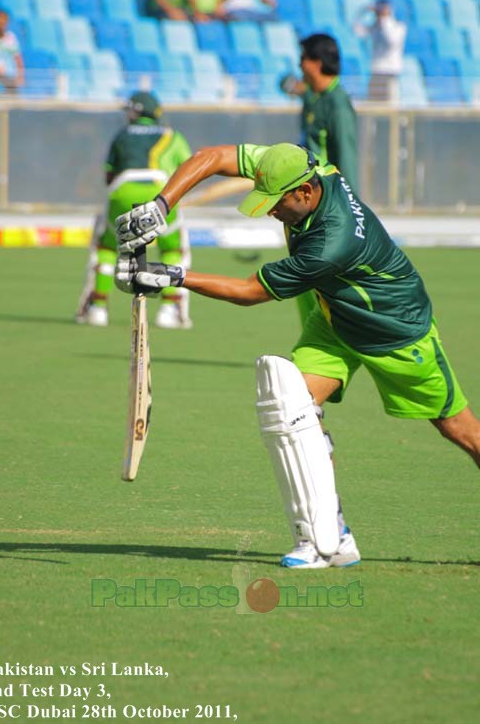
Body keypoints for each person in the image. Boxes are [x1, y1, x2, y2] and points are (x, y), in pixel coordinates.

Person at [114, 142, 480, 569]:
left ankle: (331, 535)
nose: (271, 212)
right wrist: (162, 204)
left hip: (395, 331)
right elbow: (214, 157)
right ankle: (332, 535)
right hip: (335, 321)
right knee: (296, 410)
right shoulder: (300, 165)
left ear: (305, 193)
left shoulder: (331, 244)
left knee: (460, 430)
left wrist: (172, 275)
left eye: (277, 203)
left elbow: (250, 291)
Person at [76, 91, 193, 329]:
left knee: (107, 247)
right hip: (160, 191)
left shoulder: (122, 134)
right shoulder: (172, 136)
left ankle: (97, 308)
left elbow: (109, 174)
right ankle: (170, 310)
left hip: (122, 188)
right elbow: (188, 168)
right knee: (172, 248)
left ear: (136, 112)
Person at [280, 33, 359, 325]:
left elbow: (346, 159)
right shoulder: (314, 96)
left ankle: (330, 341)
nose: (299, 65)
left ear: (315, 63)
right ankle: (311, 341)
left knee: (321, 280)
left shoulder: (337, 104)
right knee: (302, 281)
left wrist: (350, 211)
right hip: (304, 204)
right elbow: (289, 86)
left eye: (302, 59)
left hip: (325, 207)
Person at [354, 0, 406, 103]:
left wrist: (384, 18)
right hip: (376, 72)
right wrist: (362, 12)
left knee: (391, 108)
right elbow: (357, 31)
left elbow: (391, 41)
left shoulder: (398, 27)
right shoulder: (374, 27)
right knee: (373, 107)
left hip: (390, 73)